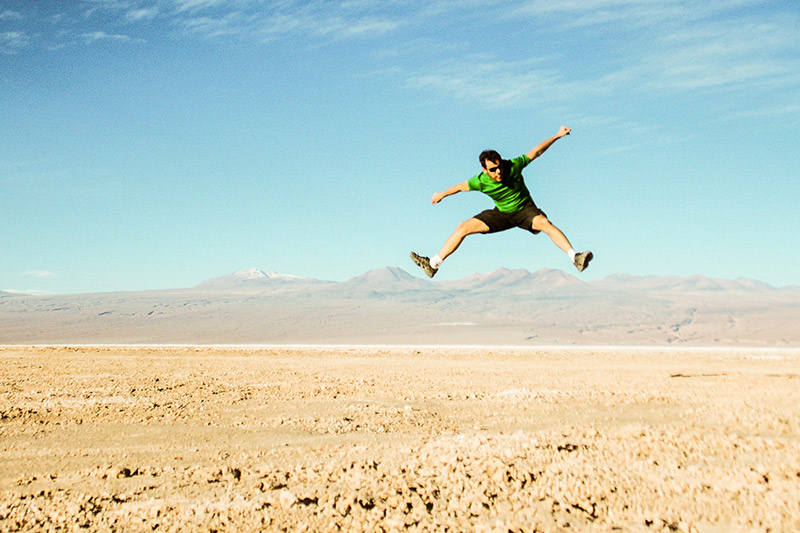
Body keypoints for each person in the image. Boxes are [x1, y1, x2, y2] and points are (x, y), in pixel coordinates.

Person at [410, 125, 592, 278]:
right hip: (501, 214)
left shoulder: (513, 166)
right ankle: (433, 264)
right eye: (493, 169)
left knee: (545, 223)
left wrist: (557, 135)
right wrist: (441, 194)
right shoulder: (480, 181)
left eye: (499, 167)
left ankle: (574, 257)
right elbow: (459, 187)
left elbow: (536, 151)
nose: (498, 172)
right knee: (463, 227)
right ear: (485, 169)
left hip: (524, 210)